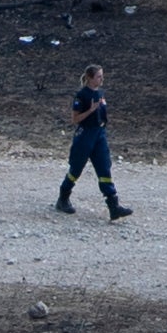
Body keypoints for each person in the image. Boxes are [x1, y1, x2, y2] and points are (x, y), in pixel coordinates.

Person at [59, 63, 128, 218]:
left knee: (104, 168)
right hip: (85, 135)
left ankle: (113, 205)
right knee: (76, 169)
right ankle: (63, 197)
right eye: (98, 76)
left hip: (99, 134)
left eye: (102, 76)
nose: (101, 79)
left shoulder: (100, 93)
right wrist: (90, 110)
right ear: (90, 78)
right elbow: (74, 119)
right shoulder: (82, 95)